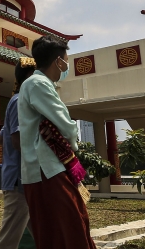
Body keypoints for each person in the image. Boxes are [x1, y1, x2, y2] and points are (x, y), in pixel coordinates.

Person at [18, 35, 96, 249]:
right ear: (58, 62)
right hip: (46, 168)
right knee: (70, 229)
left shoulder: (37, 84)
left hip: (45, 168)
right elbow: (66, 124)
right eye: (66, 60)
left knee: (58, 230)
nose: (67, 65)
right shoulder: (38, 84)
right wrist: (74, 141)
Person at [0, 57, 36, 249]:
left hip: (23, 179)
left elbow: (2, 139)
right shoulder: (20, 101)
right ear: (30, 76)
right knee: (7, 241)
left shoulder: (15, 100)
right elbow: (18, 142)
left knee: (45, 234)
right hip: (20, 180)